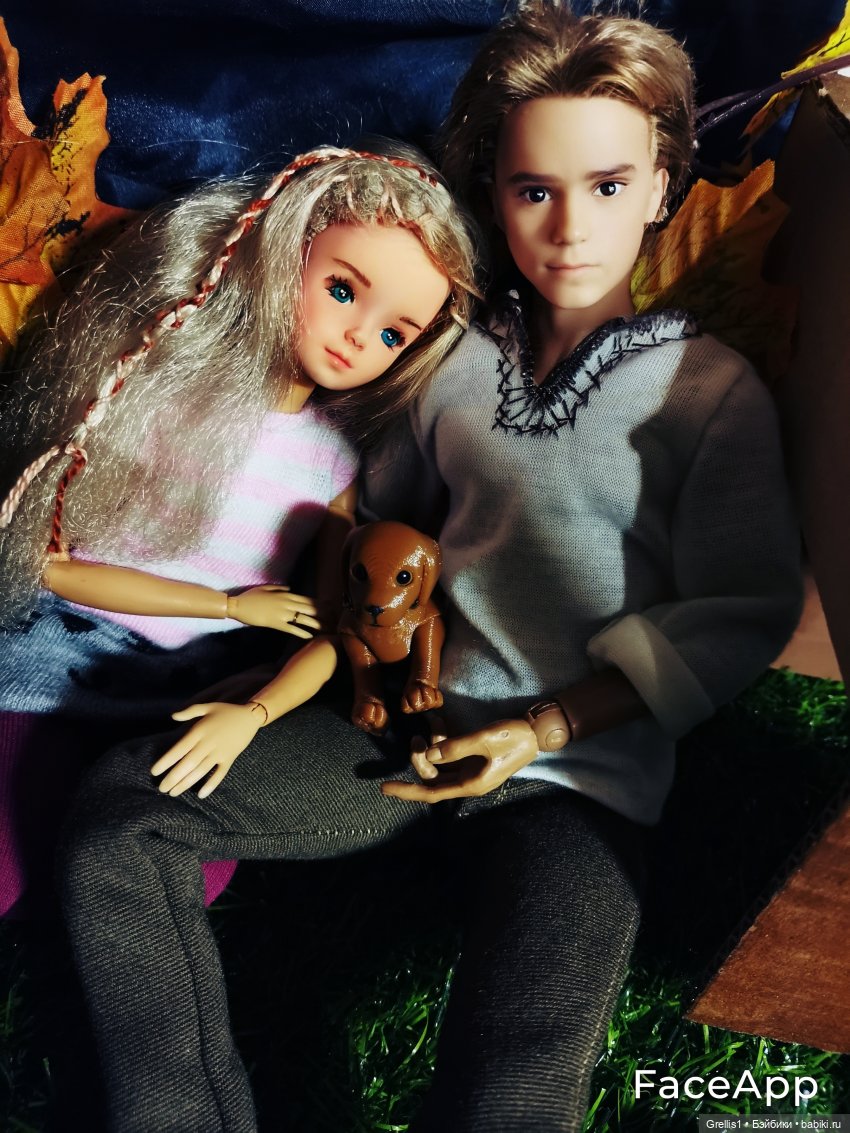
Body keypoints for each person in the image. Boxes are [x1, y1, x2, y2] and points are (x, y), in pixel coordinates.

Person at [59, 6, 802, 1132]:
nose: (569, 228)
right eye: (533, 190)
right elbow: (379, 529)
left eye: (607, 186)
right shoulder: (452, 359)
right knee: (125, 811)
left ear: (660, 187)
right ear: (494, 193)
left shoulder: (706, 395)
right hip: (396, 726)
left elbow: (741, 608)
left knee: (518, 1076)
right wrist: (308, 659)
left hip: (574, 777)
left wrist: (543, 727)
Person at [0, 144, 478, 916]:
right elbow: (49, 566)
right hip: (61, 649)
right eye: (342, 289)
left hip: (196, 686)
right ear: (285, 253)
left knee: (178, 868)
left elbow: (332, 632)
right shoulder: (167, 391)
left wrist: (256, 708)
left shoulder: (333, 464)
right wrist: (226, 605)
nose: (358, 337)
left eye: (394, 335)